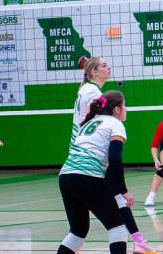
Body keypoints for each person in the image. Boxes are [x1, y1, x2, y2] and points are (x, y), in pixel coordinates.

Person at [72, 57, 153, 253]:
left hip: (81, 151)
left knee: (113, 199)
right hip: (90, 155)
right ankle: (139, 242)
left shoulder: (86, 89)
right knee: (118, 198)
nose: (109, 68)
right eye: (104, 65)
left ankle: (138, 241)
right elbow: (101, 119)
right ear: (93, 72)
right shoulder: (92, 92)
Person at [57, 92, 129, 254]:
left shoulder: (89, 123)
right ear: (117, 109)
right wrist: (123, 190)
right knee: (117, 228)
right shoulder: (115, 124)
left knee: (78, 231)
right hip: (86, 177)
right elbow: (115, 158)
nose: (126, 109)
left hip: (65, 176)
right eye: (124, 106)